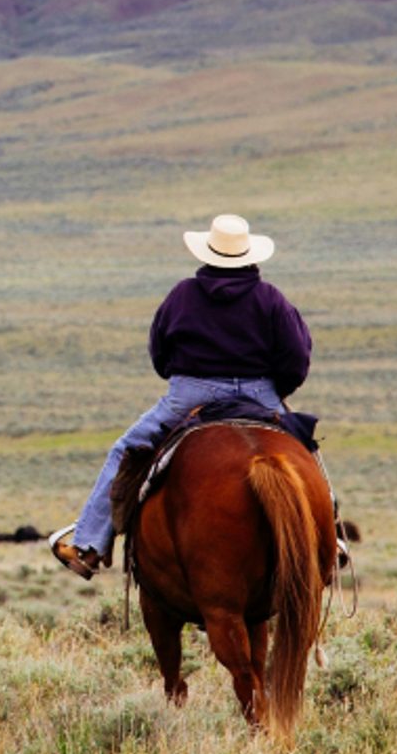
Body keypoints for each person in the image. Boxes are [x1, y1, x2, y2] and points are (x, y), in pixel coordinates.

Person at [50, 214, 311, 578]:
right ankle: (326, 544)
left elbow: (160, 352)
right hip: (258, 392)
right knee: (306, 454)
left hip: (192, 392)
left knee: (126, 450)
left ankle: (89, 545)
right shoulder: (272, 299)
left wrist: (187, 379)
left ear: (208, 253)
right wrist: (274, 391)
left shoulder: (182, 295)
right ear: (250, 256)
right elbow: (296, 356)